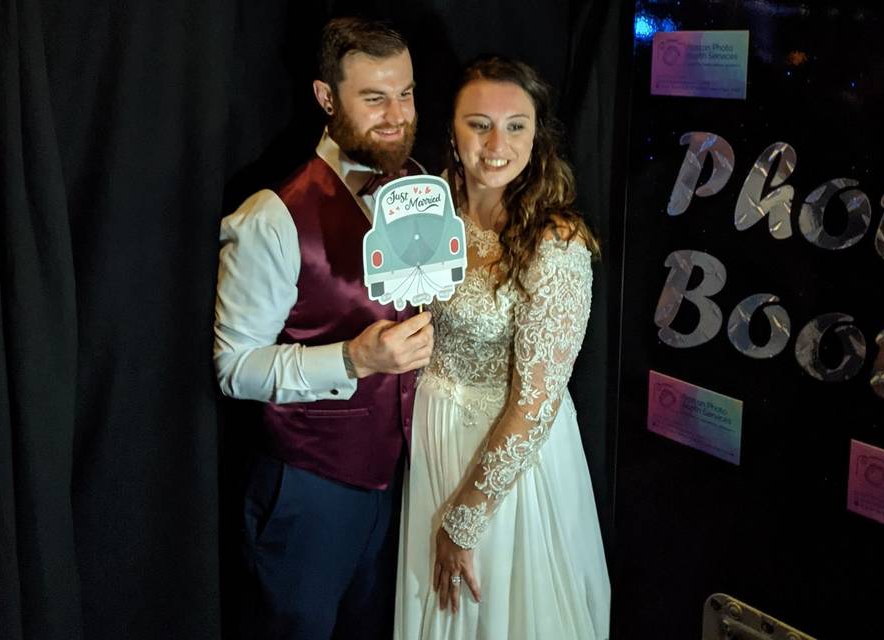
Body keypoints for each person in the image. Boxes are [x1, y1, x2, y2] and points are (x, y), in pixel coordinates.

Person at [213, 17, 433, 640]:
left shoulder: (422, 186)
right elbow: (234, 368)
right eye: (374, 98)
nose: (396, 115)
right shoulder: (272, 216)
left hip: (402, 485)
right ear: (325, 98)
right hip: (308, 492)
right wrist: (353, 359)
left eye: (407, 93)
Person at [394, 56, 611, 639]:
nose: (497, 144)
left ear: (538, 134)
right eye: (478, 123)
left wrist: (465, 518)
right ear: (452, 129)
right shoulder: (428, 212)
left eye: (516, 125)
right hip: (434, 436)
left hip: (507, 465)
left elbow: (537, 402)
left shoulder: (555, 242)